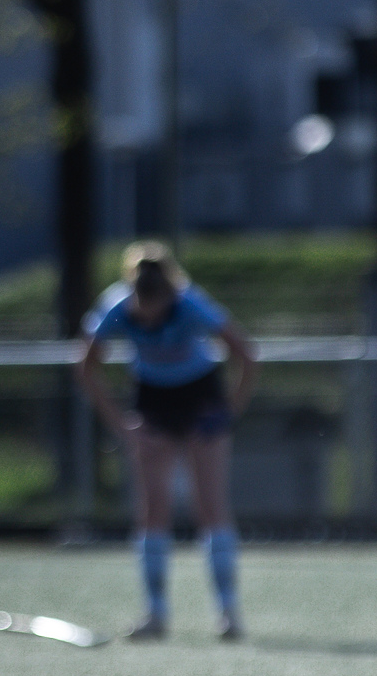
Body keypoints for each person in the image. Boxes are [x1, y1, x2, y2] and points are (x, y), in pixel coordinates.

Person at [75, 241, 258, 641]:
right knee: (152, 508)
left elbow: (245, 353)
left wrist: (227, 412)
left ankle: (228, 613)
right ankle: (155, 614)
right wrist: (120, 424)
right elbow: (86, 364)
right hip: (153, 401)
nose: (150, 318)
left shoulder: (190, 303)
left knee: (210, 505)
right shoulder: (116, 307)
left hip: (200, 397)